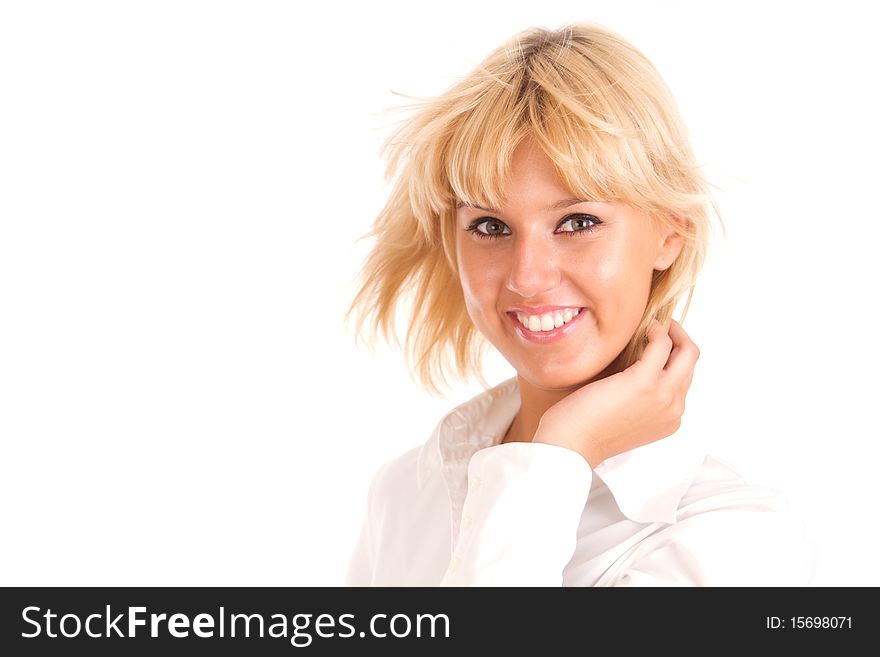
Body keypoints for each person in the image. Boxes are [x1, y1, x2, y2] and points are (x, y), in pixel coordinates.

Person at [343, 23, 814, 586]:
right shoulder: (404, 494)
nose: (528, 276)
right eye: (490, 226)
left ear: (668, 234)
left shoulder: (736, 539)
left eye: (578, 222)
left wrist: (559, 455)